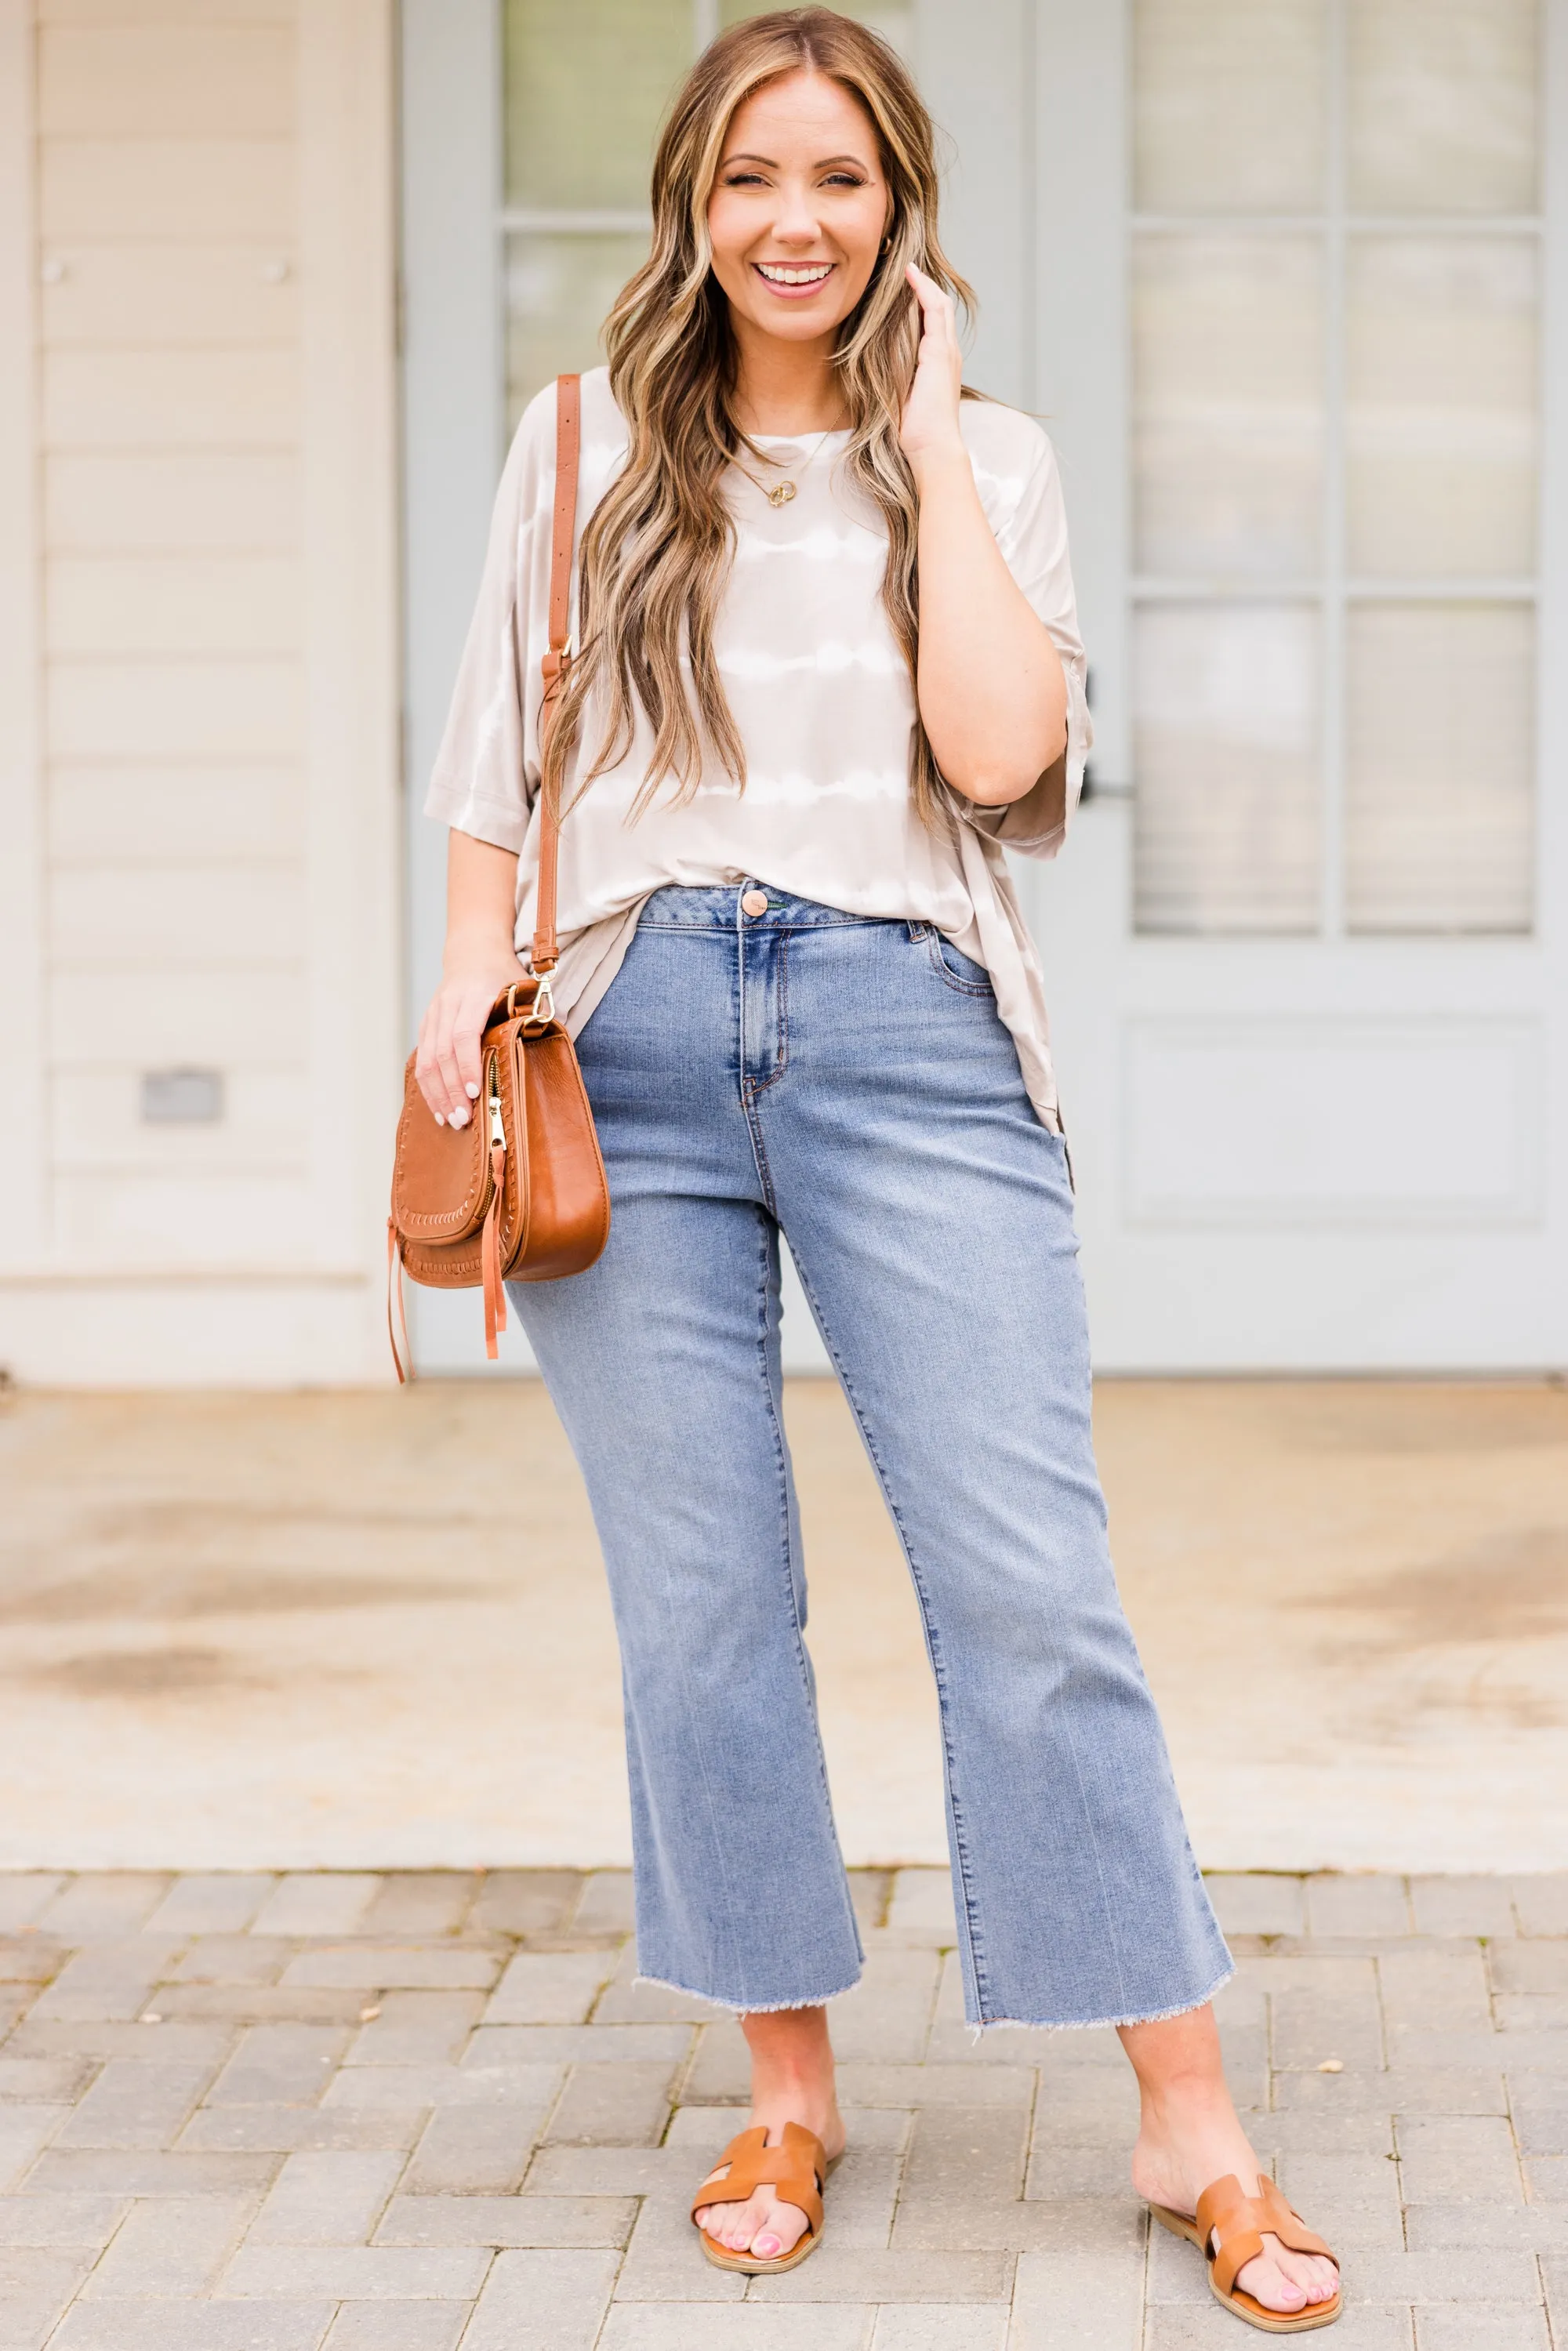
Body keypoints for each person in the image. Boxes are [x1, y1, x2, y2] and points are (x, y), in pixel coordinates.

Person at [416, 9, 1340, 2331]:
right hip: (621, 1036)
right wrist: (456, 984)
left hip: (913, 1032)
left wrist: (924, 433)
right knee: (705, 1604)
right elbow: (485, 769)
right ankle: (787, 2083)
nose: (791, 220)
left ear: (897, 202)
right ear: (690, 204)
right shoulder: (582, 446)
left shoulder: (988, 460)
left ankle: (1187, 2109)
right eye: (749, 178)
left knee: (1034, 1589)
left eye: (836, 177)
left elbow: (1005, 754)